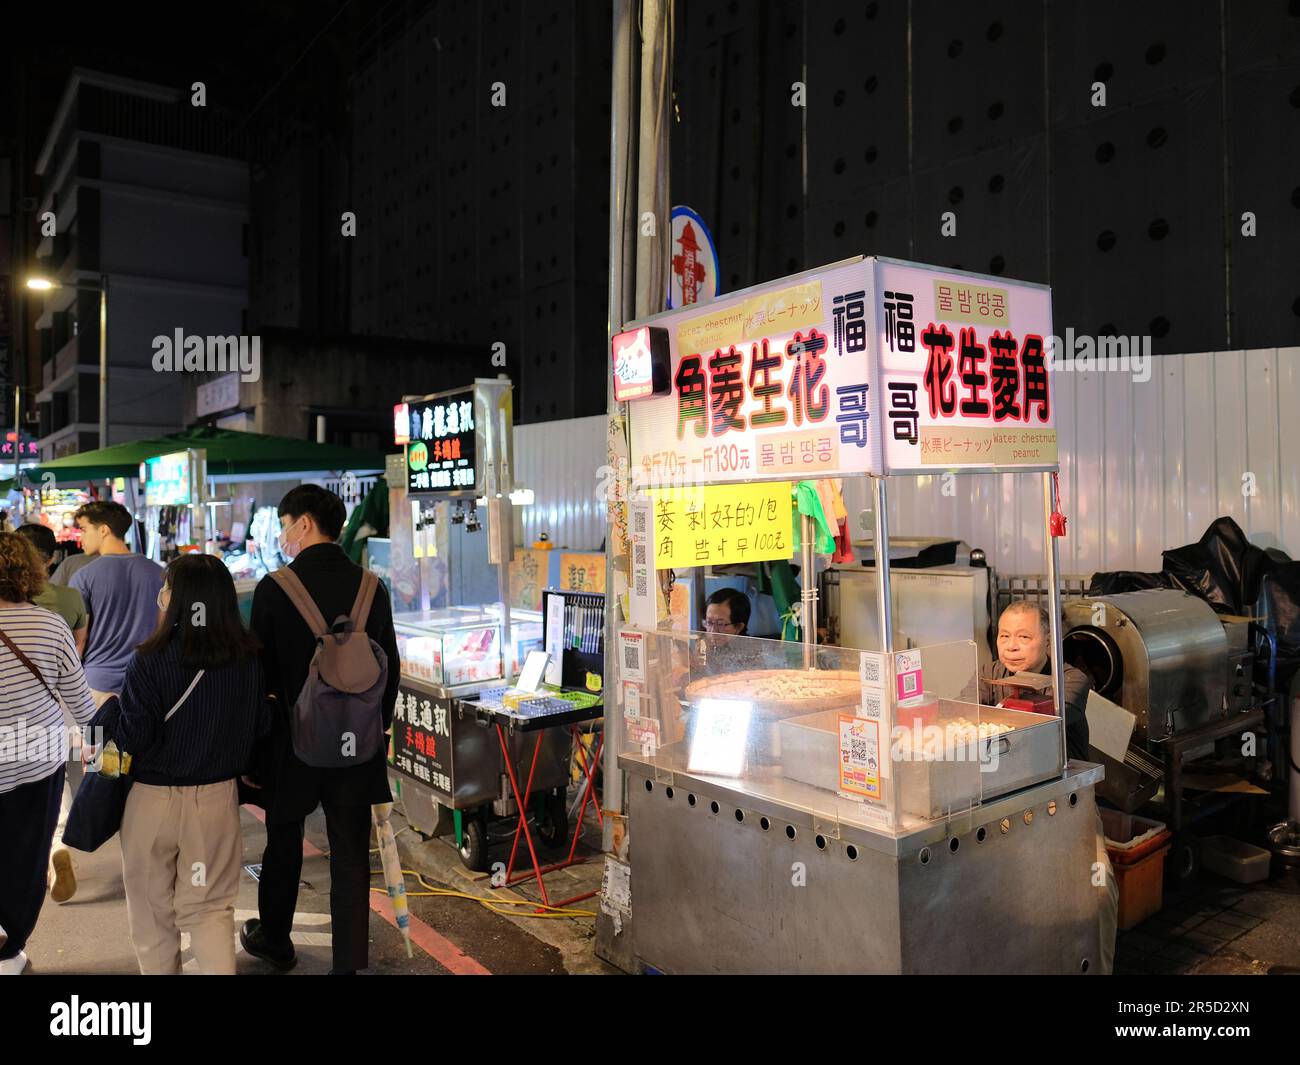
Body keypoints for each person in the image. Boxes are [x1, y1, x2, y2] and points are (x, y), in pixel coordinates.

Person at [241, 485, 399, 975]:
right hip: (358, 742)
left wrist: (258, 746)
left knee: (283, 841)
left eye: (286, 524)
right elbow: (388, 669)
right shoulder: (373, 586)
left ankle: (275, 942)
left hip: (293, 746)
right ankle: (348, 963)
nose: (284, 535)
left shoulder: (274, 588)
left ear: (304, 523)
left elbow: (258, 674)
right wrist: (374, 729)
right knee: (350, 853)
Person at [93, 554, 270, 975]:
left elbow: (134, 739)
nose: (162, 596)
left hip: (151, 802)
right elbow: (258, 726)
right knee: (210, 909)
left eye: (166, 588)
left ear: (179, 600)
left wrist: (107, 714)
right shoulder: (247, 659)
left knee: (152, 914)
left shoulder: (149, 660)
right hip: (216, 800)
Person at [983, 600, 1117, 974]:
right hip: (1008, 803)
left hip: (1066, 803)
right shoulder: (988, 672)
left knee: (1099, 886)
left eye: (1024, 637)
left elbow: (1049, 717)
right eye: (1004, 636)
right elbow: (965, 716)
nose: (1011, 646)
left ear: (1048, 641)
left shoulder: (1071, 678)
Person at [0, 532, 96, 975]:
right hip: (37, 757)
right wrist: (98, 745)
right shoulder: (50, 624)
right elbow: (79, 700)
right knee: (26, 854)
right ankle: (11, 949)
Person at [15, 523, 90, 905]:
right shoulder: (68, 601)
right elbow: (77, 658)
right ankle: (56, 844)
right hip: (51, 710)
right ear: (50, 558)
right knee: (52, 788)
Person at [68, 501, 164, 705]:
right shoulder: (158, 573)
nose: (80, 538)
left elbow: (79, 641)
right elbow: (162, 628)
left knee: (96, 737)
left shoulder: (83, 577)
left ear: (103, 530)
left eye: (84, 530)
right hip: (147, 680)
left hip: (98, 685)